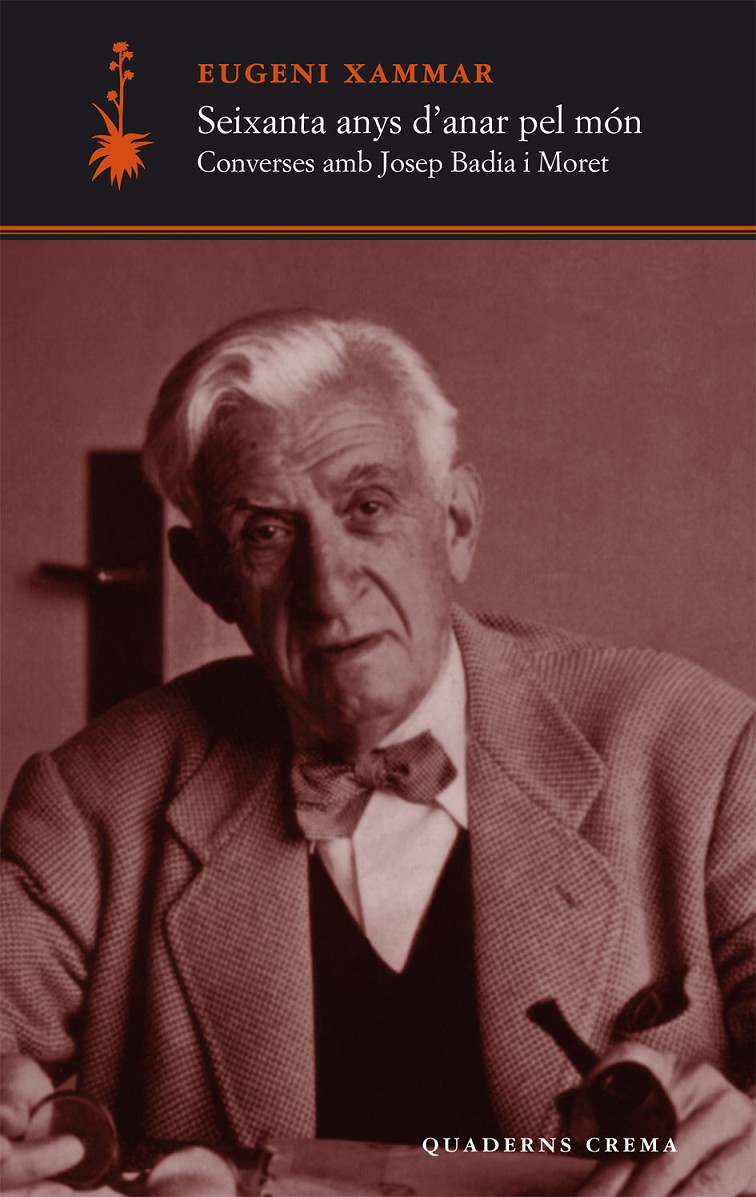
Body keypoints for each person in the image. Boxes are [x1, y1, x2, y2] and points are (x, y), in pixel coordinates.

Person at [1, 309, 753, 1197]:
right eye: (266, 531)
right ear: (207, 575)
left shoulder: (698, 749)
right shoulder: (90, 803)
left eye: (368, 506)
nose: (329, 588)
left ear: (456, 522)